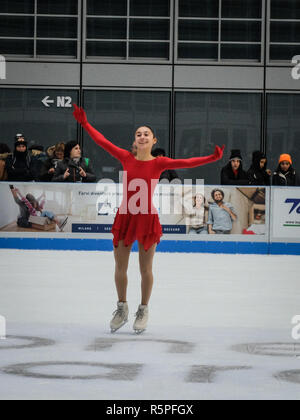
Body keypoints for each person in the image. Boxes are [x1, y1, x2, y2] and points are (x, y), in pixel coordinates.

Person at [72, 104, 225, 334]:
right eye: (138, 134)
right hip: (125, 217)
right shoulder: (125, 157)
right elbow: (103, 142)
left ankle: (143, 309)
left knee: (146, 269)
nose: (142, 136)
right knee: (120, 267)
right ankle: (122, 308)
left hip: (146, 219)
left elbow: (187, 162)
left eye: (146, 134)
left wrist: (212, 158)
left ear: (154, 140)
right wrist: (85, 124)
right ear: (134, 141)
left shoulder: (159, 163)